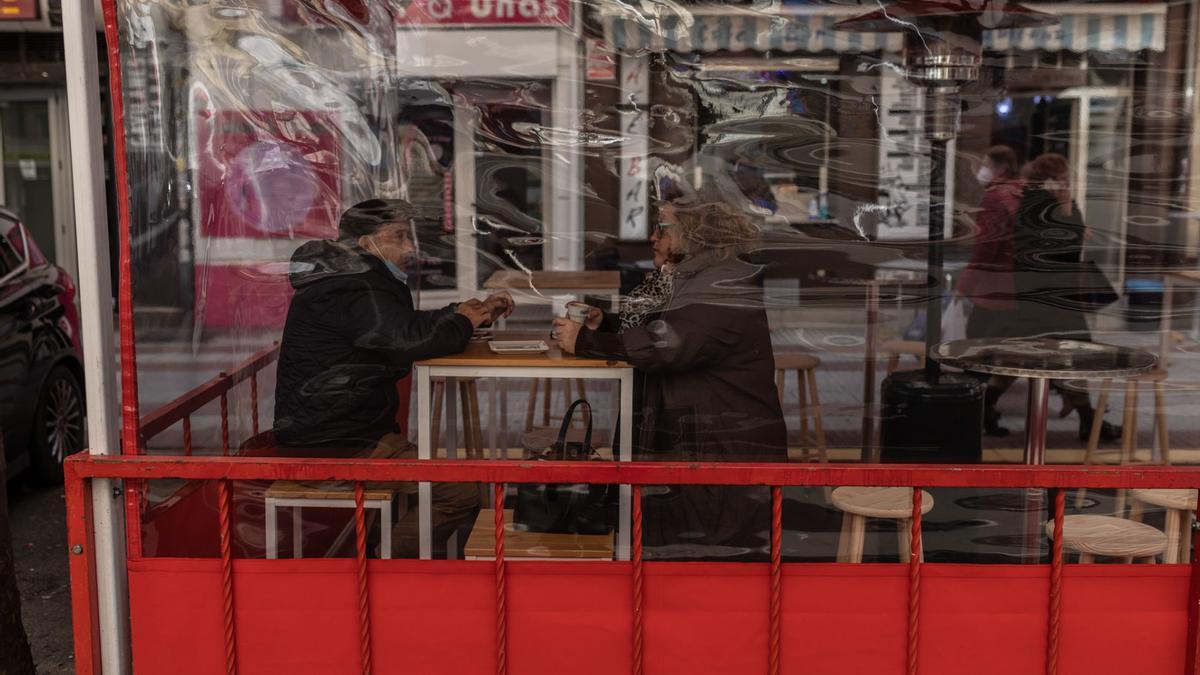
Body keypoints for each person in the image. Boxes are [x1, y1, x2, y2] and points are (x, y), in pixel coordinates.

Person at [272, 198, 515, 555]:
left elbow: (400, 328)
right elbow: (404, 340)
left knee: (456, 484)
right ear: (366, 243)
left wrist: (464, 314)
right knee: (463, 490)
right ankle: (378, 567)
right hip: (338, 443)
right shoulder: (355, 286)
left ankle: (379, 552)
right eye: (399, 237)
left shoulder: (348, 278)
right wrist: (463, 319)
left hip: (337, 431)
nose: (410, 248)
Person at [552, 201, 787, 560]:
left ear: (696, 236)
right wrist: (609, 325)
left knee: (713, 562)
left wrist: (586, 341)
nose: (652, 237)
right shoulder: (698, 277)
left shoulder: (720, 284)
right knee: (690, 553)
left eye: (662, 229)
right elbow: (665, 328)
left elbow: (670, 344)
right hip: (703, 446)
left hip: (720, 452)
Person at [1010, 154, 1119, 441]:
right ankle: (1085, 417)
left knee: (1056, 352)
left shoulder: (1043, 202)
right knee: (1065, 352)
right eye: (1064, 176)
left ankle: (1085, 416)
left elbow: (1070, 240)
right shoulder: (1039, 203)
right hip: (1048, 294)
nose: (1067, 181)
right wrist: (1071, 218)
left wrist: (1071, 215)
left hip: (1049, 292)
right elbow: (1059, 245)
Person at [955, 146, 1024, 436]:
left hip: (992, 291)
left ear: (998, 167)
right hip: (1015, 289)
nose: (980, 169)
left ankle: (975, 415)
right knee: (1004, 355)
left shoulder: (996, 198)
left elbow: (986, 249)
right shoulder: (1021, 193)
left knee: (978, 356)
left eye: (983, 163)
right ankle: (986, 411)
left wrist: (963, 286)